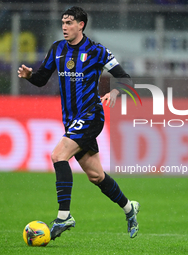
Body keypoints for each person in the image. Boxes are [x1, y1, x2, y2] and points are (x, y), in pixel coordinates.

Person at [18, 6, 140, 240]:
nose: (64, 26)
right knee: (96, 176)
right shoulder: (57, 49)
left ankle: (64, 217)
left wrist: (114, 93)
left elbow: (125, 78)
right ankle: (129, 208)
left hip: (91, 115)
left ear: (81, 25)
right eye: (63, 22)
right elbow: (42, 79)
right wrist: (30, 76)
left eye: (70, 22)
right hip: (71, 120)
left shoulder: (96, 51)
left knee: (58, 155)